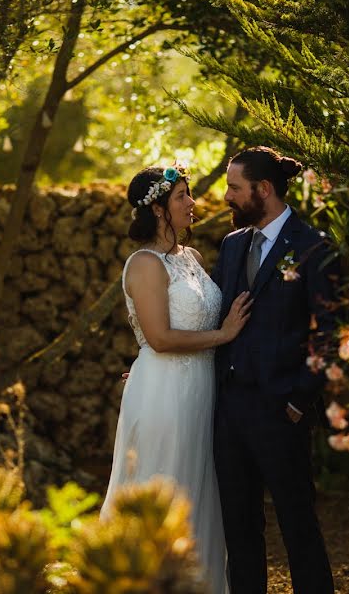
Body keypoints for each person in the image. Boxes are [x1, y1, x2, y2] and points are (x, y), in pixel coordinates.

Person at [101, 163, 252, 593]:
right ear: (159, 209)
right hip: (162, 392)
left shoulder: (193, 258)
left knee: (199, 489)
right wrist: (223, 335)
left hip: (202, 390)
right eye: (182, 196)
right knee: (164, 483)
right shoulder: (145, 264)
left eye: (189, 194)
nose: (193, 203)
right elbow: (161, 338)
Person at [211, 146, 338, 593]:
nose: (226, 196)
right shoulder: (231, 246)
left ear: (263, 190)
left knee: (298, 527)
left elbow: (330, 331)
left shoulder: (312, 246)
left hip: (282, 409)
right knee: (240, 531)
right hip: (230, 412)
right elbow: (214, 320)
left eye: (234, 188)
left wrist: (300, 399)